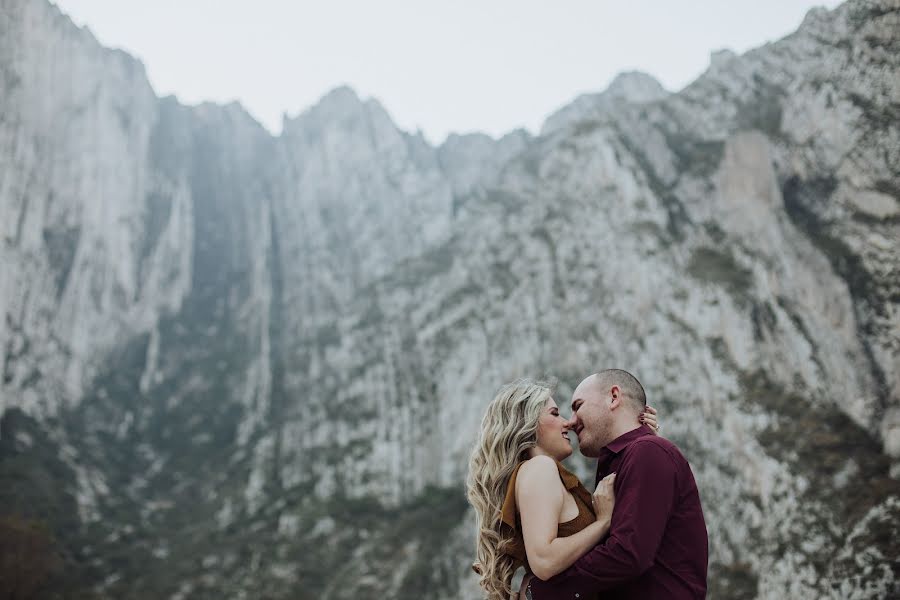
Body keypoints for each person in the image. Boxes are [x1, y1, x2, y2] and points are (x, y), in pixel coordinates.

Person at [465, 378, 660, 600]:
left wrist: (642, 440)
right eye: (555, 413)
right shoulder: (540, 468)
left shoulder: (543, 476)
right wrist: (602, 523)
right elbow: (544, 561)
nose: (567, 423)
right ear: (528, 423)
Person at [527, 369, 708, 599]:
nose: (570, 422)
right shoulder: (631, 458)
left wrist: (542, 593)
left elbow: (627, 554)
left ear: (614, 397)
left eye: (577, 406)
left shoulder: (647, 452)